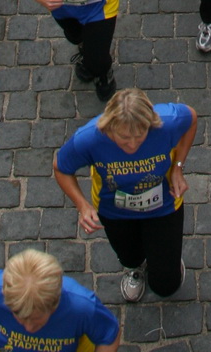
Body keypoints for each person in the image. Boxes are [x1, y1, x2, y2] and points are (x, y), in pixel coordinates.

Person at [53, 88, 197, 302]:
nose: (132, 145)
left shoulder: (168, 121)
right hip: (114, 211)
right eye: (123, 138)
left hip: (164, 205)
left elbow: (191, 118)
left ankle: (166, 263)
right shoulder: (89, 138)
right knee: (129, 255)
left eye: (140, 136)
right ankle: (134, 269)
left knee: (167, 285)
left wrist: (177, 167)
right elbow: (61, 167)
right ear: (109, 126)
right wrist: (82, 205)